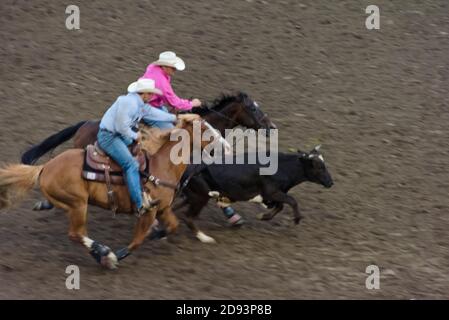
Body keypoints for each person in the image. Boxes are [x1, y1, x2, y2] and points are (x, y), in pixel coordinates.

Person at [97, 78, 178, 216]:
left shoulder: (140, 104)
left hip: (120, 135)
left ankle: (139, 188)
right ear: (144, 93)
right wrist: (135, 136)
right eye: (150, 94)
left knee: (143, 155)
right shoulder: (128, 102)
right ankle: (139, 203)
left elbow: (155, 113)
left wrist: (175, 118)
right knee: (131, 165)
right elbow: (120, 126)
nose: (152, 96)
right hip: (109, 137)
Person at [139, 51, 202, 130]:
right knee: (171, 131)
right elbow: (174, 101)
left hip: (150, 103)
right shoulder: (161, 81)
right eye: (173, 67)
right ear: (164, 67)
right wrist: (192, 104)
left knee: (168, 114)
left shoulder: (153, 67)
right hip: (146, 108)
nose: (175, 69)